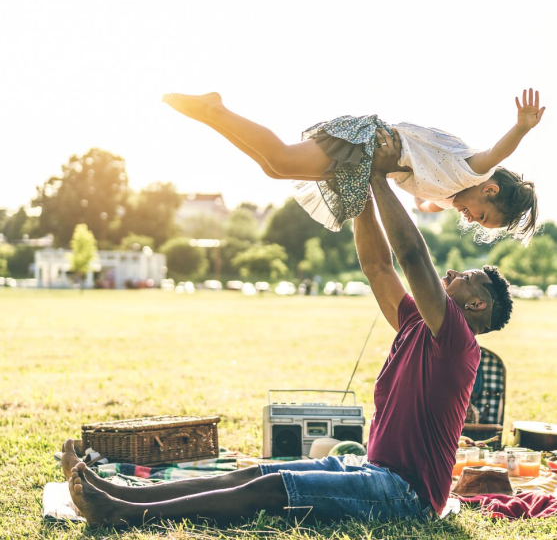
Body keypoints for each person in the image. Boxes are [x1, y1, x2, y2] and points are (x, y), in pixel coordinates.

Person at [62, 132, 514, 528]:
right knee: (255, 472)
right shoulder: (420, 322)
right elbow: (378, 266)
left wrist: (378, 177)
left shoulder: (458, 341)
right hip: (376, 469)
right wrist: (357, 192)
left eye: (465, 276)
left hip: (406, 496)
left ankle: (120, 514)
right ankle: (121, 494)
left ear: (476, 305)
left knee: (275, 488)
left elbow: (413, 257)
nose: (452, 272)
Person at [162, 88, 544, 241]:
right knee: (279, 158)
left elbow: (426, 203)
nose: (471, 219)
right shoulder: (472, 169)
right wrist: (521, 127)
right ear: (490, 189)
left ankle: (213, 114)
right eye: (482, 216)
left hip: (365, 162)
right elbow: (499, 153)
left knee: (275, 169)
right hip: (363, 142)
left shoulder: (450, 193)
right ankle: (215, 108)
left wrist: (427, 204)